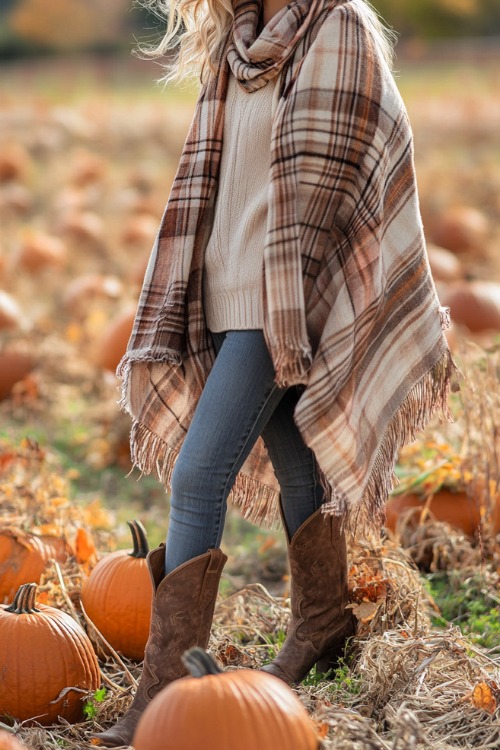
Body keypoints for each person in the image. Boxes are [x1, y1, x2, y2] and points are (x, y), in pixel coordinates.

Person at [92, 0, 457, 745]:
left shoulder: (339, 28)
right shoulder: (239, 41)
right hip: (229, 290)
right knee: (297, 462)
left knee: (197, 477)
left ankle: (166, 688)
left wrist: (286, 302)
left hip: (285, 298)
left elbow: (334, 186)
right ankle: (324, 621)